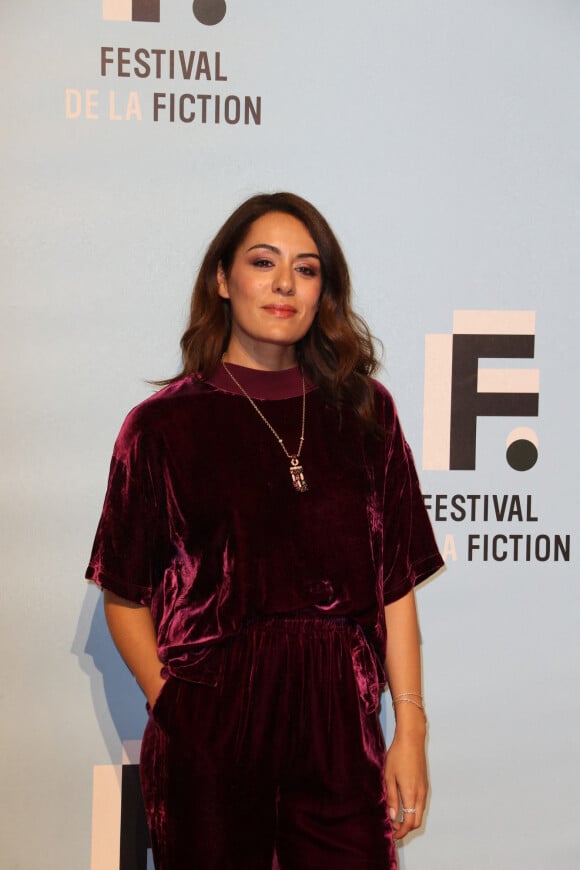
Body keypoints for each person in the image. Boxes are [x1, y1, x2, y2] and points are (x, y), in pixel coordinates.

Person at [86, 192, 443, 869]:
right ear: (222, 280)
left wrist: (412, 727)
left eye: (306, 269)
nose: (284, 284)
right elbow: (124, 595)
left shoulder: (367, 414)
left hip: (343, 727)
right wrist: (181, 711)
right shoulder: (162, 426)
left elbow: (394, 587)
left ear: (323, 292)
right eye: (263, 262)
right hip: (216, 731)